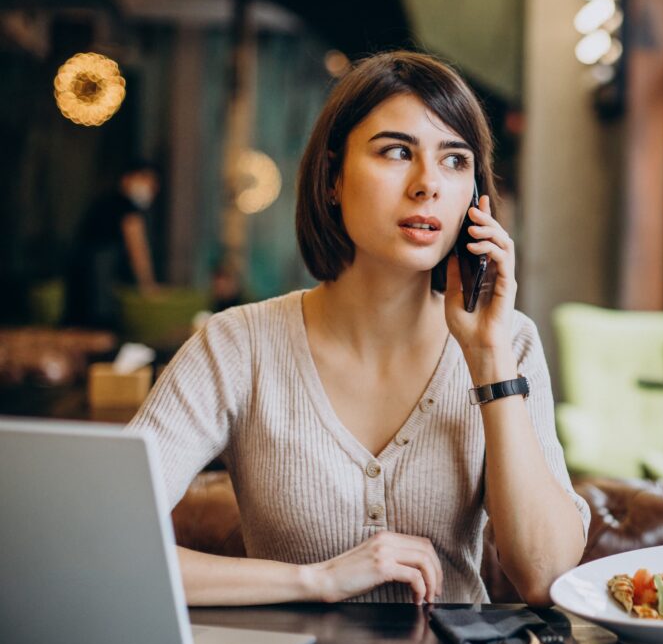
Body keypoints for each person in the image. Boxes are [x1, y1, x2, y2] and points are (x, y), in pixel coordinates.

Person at [128, 51, 590, 606]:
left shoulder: (510, 341)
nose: (428, 185)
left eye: (455, 160)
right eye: (397, 152)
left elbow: (544, 575)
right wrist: (316, 580)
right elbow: (102, 539)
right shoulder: (237, 346)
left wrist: (488, 358)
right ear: (332, 178)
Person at [64, 160, 160, 328]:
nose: (150, 186)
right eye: (144, 179)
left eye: (153, 182)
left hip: (84, 273)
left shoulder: (107, 201)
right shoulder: (126, 206)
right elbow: (137, 249)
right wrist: (148, 286)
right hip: (96, 276)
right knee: (97, 326)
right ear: (126, 179)